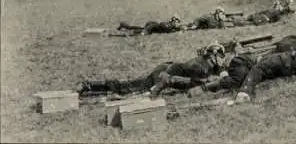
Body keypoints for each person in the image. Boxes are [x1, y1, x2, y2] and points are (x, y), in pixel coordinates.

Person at [76, 43, 227, 97]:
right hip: (164, 73)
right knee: (130, 88)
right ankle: (90, 85)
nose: (222, 59)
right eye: (220, 56)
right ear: (213, 56)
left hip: (166, 69)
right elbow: (197, 82)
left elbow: (218, 70)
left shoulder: (207, 63)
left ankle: (92, 85)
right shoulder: (198, 66)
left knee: (131, 84)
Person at [227, 40, 296, 105]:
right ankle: (216, 82)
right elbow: (257, 69)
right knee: (236, 83)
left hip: (257, 65)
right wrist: (245, 90)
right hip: (243, 63)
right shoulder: (280, 60)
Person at [116, 14, 186, 35]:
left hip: (152, 25)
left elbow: (180, 28)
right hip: (152, 26)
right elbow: (159, 26)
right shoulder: (171, 25)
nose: (177, 23)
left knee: (141, 29)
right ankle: (128, 31)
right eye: (177, 21)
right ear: (174, 20)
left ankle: (124, 26)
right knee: (142, 32)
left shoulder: (171, 25)